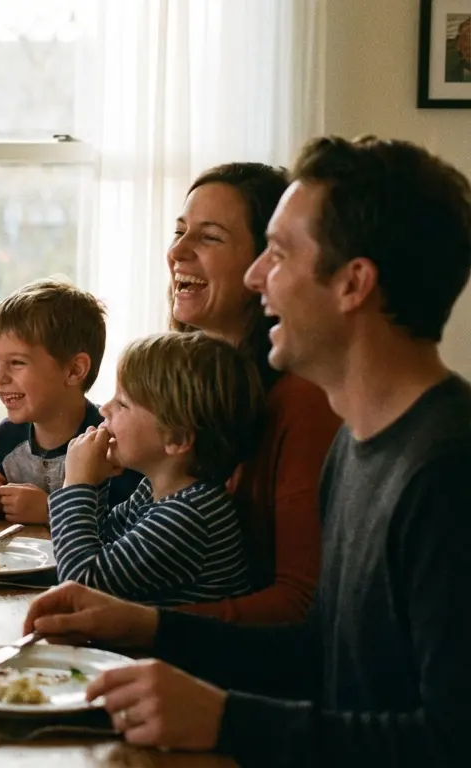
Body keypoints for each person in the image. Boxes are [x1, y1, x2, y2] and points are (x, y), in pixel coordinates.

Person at [23, 135, 471, 765]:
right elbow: (319, 649)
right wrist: (145, 625)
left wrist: (228, 719)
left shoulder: (448, 475)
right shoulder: (361, 448)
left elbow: (451, 744)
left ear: (353, 284)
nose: (259, 274)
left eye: (279, 255)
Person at [167, 162, 341, 624]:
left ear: (266, 264)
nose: (177, 251)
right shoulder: (178, 385)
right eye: (179, 231)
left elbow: (302, 603)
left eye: (209, 237)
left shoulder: (304, 400)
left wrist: (144, 622)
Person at [49, 332, 263, 605]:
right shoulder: (153, 490)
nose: (104, 409)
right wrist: (96, 480)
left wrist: (78, 484)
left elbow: (81, 584)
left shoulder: (189, 516)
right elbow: (99, 544)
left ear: (176, 439)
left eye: (123, 403)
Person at [0, 277, 142, 523]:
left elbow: (126, 530)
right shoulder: (7, 438)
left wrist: (51, 511)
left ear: (74, 370)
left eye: (17, 363)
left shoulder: (114, 443)